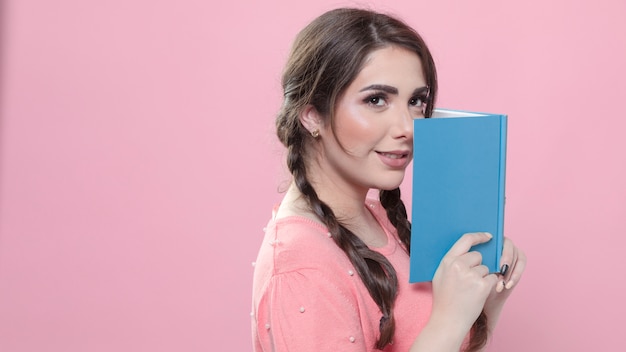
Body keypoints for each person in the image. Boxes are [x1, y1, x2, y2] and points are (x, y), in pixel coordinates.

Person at [251, 7, 526, 352]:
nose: (410, 127)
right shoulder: (300, 266)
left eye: (415, 101)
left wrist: (488, 301)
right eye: (376, 100)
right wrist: (450, 319)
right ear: (311, 114)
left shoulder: (375, 218)